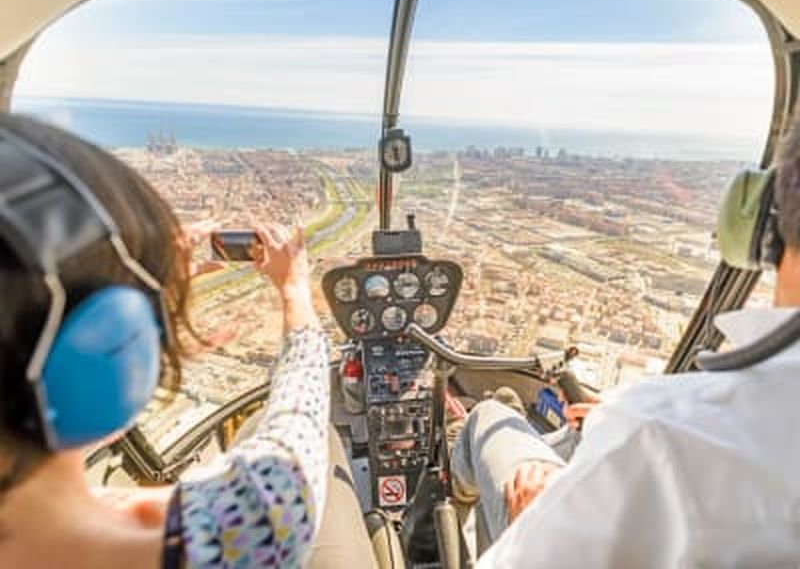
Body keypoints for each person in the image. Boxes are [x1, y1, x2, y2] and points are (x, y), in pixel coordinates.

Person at [0, 113, 372, 569]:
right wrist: (294, 292)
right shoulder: (240, 535)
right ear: (116, 351)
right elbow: (298, 428)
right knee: (326, 441)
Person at [452, 113, 800, 567]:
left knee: (487, 420)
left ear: (760, 225)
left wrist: (532, 522)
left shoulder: (662, 434)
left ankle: (435, 516)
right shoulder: (657, 427)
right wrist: (618, 422)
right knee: (569, 434)